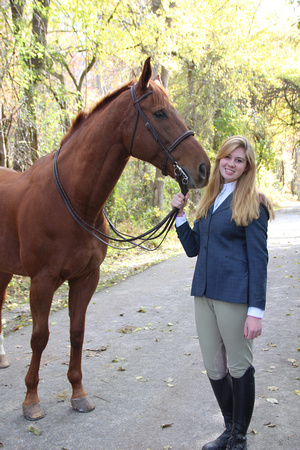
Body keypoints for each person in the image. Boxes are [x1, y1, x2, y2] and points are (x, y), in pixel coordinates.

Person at [171, 136, 274, 450]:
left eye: (239, 160)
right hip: (203, 294)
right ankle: (229, 430)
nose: (232, 164)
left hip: (234, 296)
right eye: (228, 157)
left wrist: (256, 311)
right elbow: (193, 249)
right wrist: (179, 216)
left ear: (247, 167)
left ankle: (239, 438)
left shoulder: (254, 202)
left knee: (239, 365)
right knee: (214, 366)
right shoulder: (209, 198)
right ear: (219, 160)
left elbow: (259, 260)